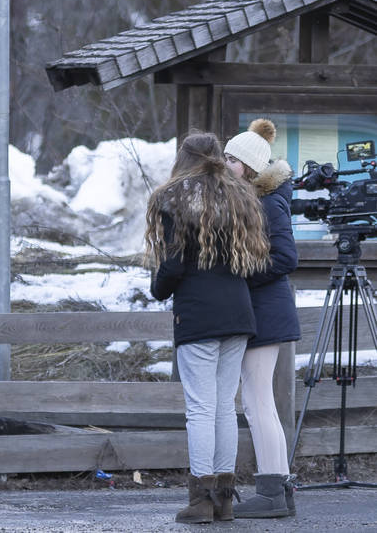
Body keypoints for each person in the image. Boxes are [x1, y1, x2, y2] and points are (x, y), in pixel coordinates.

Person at [145, 132, 270, 524]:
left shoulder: (175, 198)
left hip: (198, 315)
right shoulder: (241, 197)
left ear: (184, 158)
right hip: (237, 313)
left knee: (200, 408)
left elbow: (174, 265)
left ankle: (200, 499)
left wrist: (157, 287)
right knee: (223, 408)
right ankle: (225, 499)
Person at [224, 119, 300, 518]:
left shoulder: (269, 203)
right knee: (258, 402)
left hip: (266, 314)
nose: (226, 164)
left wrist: (240, 269)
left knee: (257, 402)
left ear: (251, 168)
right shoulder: (251, 200)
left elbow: (286, 258)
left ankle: (271, 491)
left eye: (233, 160)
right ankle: (280, 489)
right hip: (261, 312)